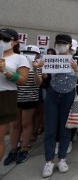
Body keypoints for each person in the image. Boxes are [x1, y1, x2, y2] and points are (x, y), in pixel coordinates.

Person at [38, 34, 78, 177]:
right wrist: (39, 68)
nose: (61, 46)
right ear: (55, 44)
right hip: (52, 94)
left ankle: (62, 158)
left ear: (69, 45)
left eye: (64, 44)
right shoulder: (49, 59)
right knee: (50, 128)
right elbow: (45, 78)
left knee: (65, 127)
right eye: (59, 44)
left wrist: (76, 69)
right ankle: (49, 160)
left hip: (69, 95)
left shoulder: (74, 60)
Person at [4, 45, 42, 165]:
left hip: (30, 97)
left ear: (37, 55)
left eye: (32, 53)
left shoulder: (38, 66)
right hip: (15, 97)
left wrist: (35, 69)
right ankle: (13, 149)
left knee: (26, 123)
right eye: (25, 52)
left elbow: (38, 83)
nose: (28, 55)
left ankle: (24, 148)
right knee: (14, 125)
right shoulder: (17, 64)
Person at [0, 28, 29, 163]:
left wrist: (5, 71)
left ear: (15, 42)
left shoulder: (20, 58)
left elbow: (22, 80)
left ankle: (20, 148)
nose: (1, 41)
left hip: (5, 96)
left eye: (5, 39)